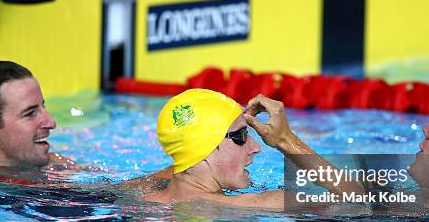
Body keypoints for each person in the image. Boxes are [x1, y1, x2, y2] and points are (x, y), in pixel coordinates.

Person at [0, 54, 172, 185]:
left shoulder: (56, 165)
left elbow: (119, 186)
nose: (51, 122)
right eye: (30, 113)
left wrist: (175, 176)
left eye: (44, 107)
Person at [145, 89, 365, 210]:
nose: (256, 147)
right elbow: (360, 204)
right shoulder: (260, 204)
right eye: (241, 136)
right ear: (204, 149)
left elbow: (184, 163)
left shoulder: (138, 196)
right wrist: (286, 141)